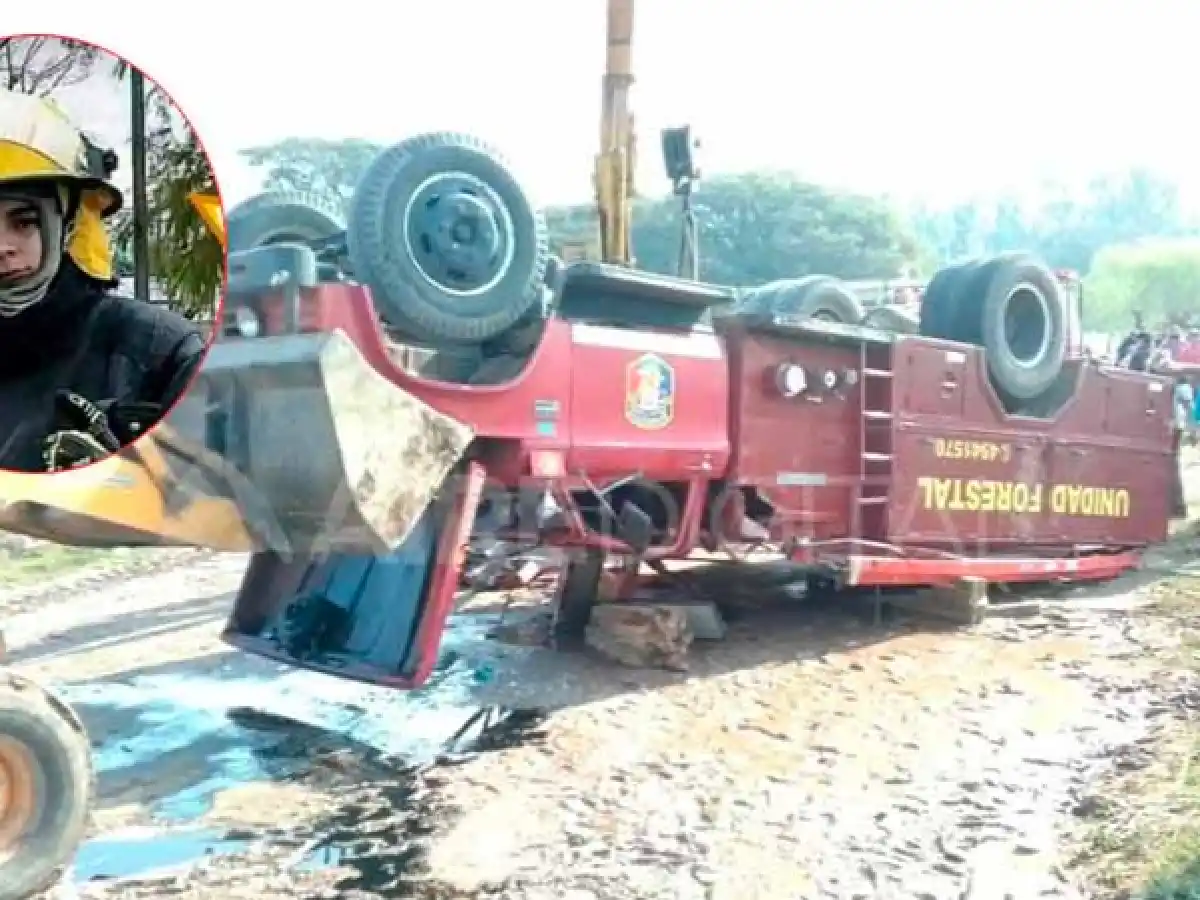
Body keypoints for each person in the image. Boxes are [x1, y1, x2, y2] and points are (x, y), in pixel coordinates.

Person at [0, 88, 207, 473]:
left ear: (68, 224)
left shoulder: (158, 353)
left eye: (24, 221)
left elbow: (220, 503)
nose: (2, 247)